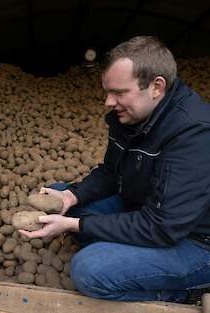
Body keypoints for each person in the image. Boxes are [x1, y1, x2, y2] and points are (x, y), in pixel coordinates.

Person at [20, 36, 210, 303]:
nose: (108, 102)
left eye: (119, 93)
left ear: (157, 86)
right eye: (107, 92)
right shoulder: (134, 115)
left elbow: (163, 227)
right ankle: (121, 249)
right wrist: (70, 197)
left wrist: (76, 225)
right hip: (144, 208)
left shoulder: (194, 134)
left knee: (89, 269)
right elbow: (111, 172)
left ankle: (187, 291)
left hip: (194, 241)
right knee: (59, 197)